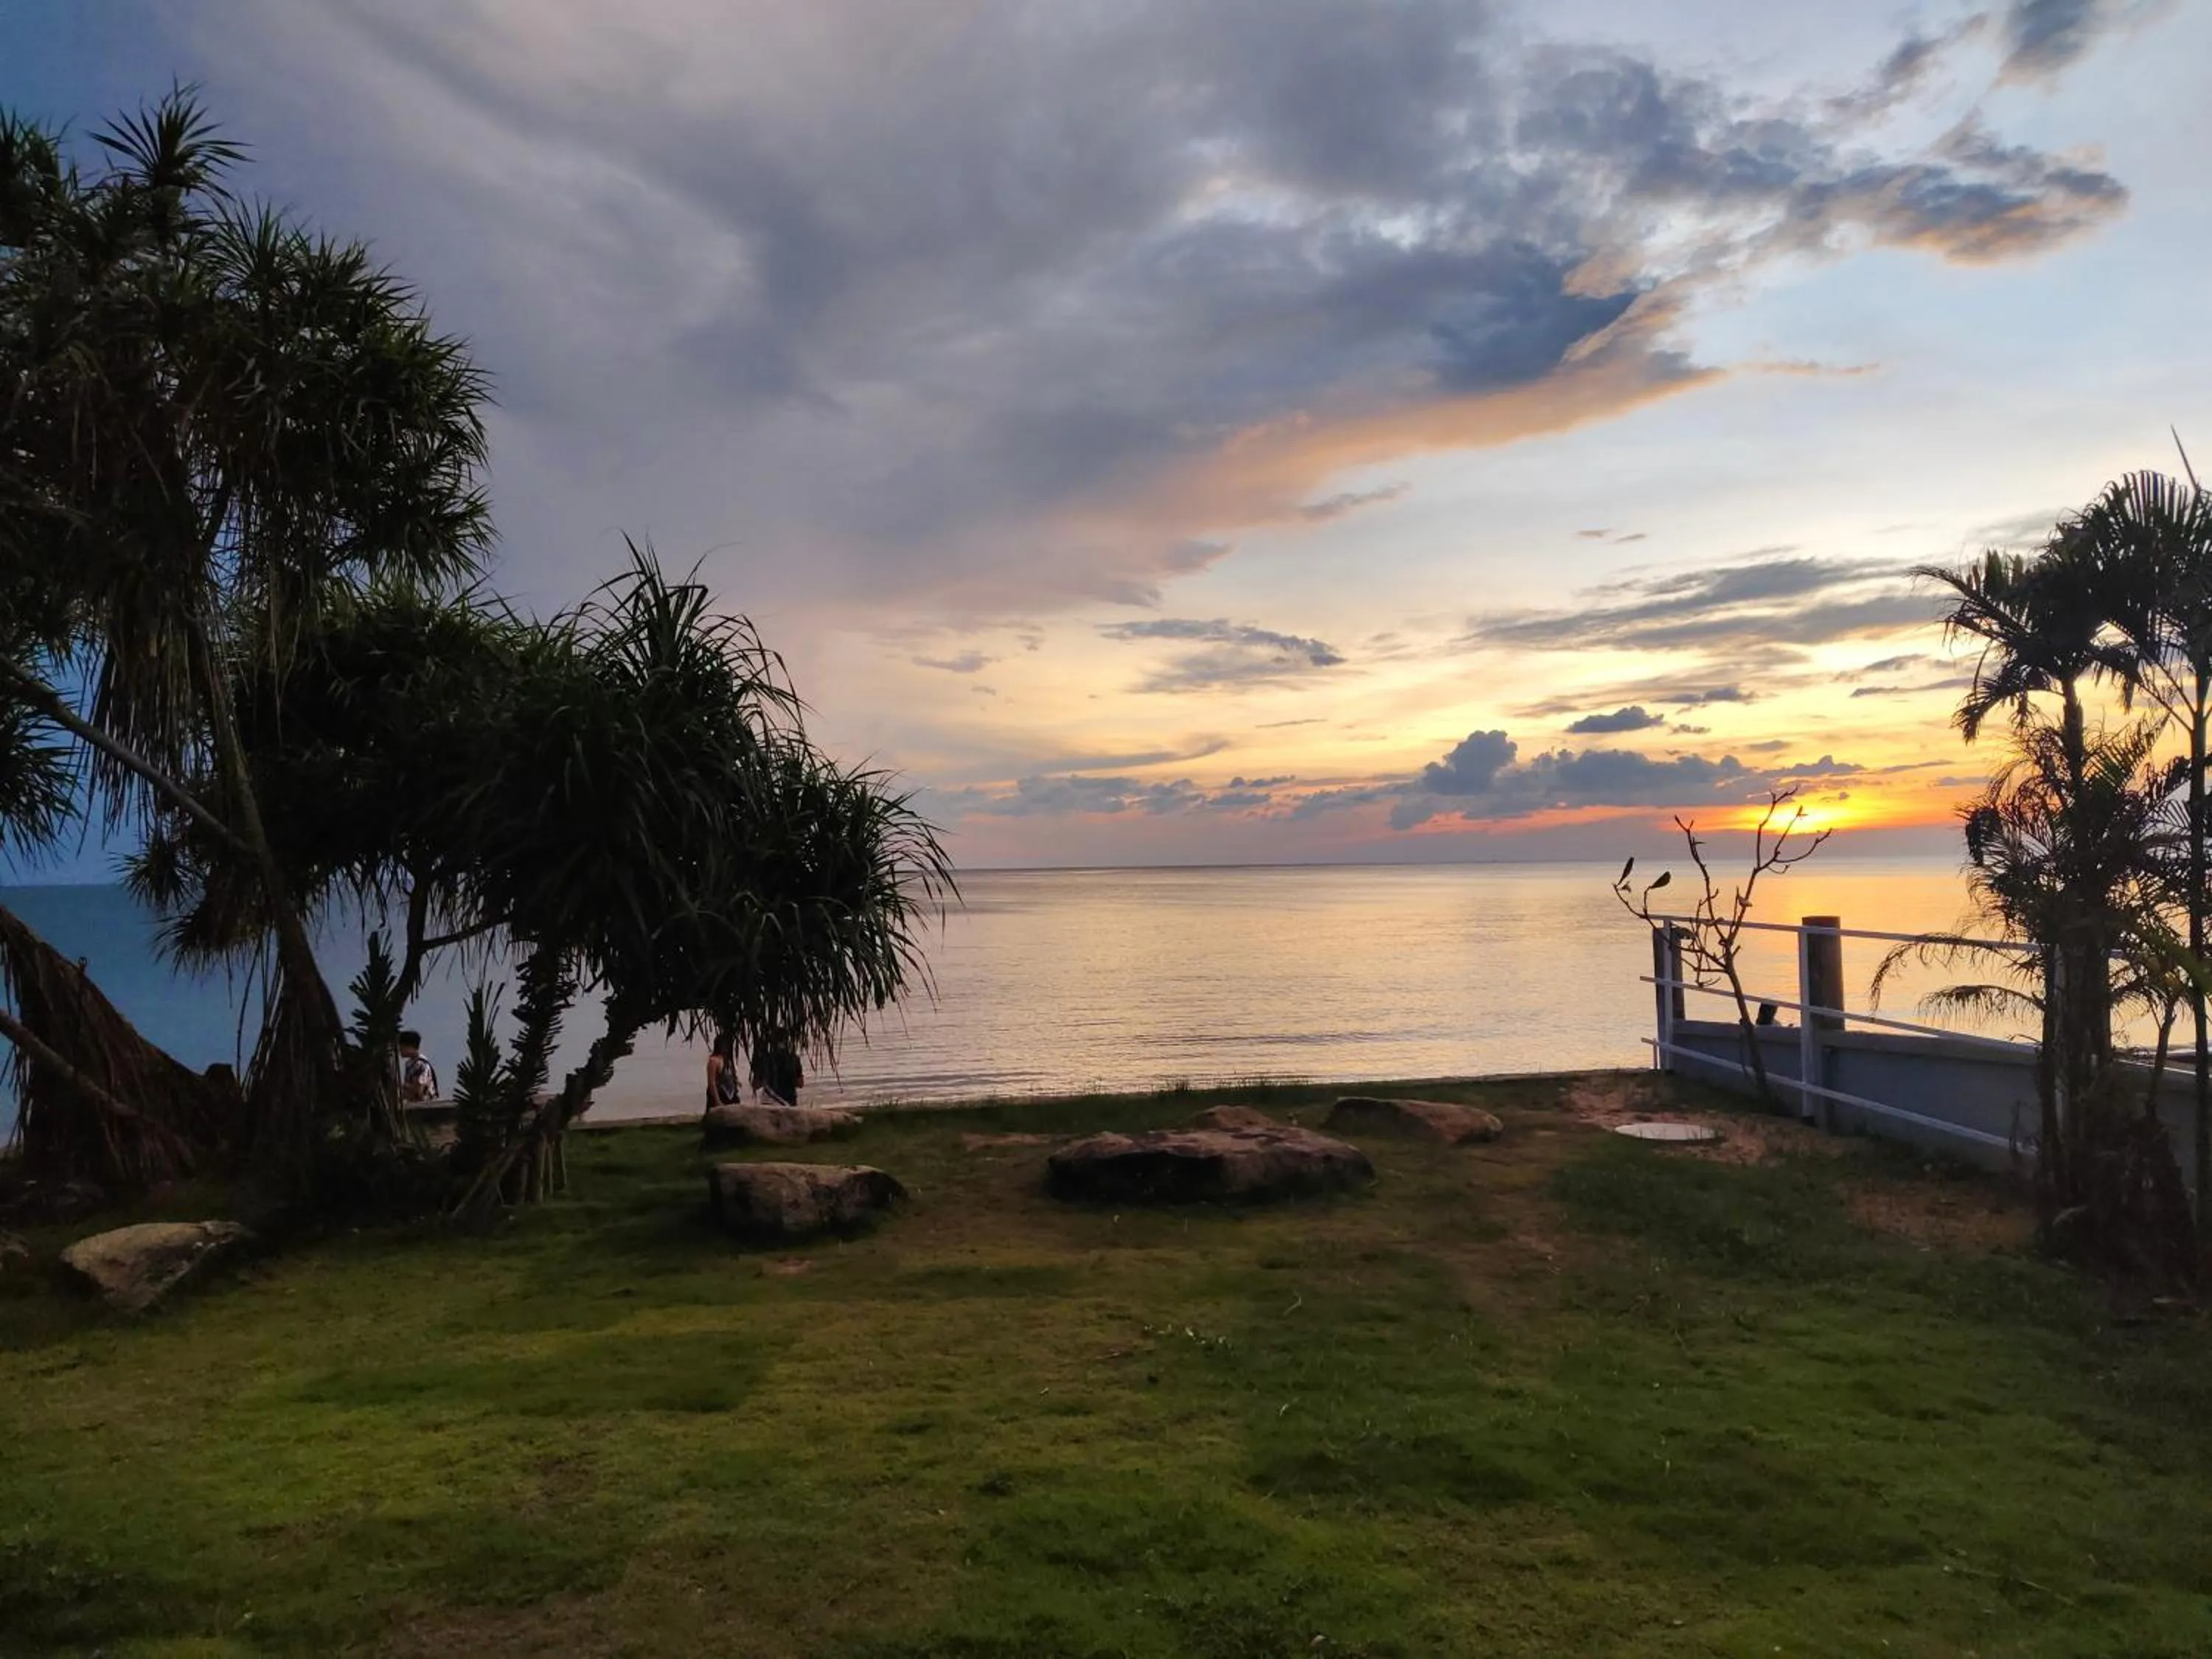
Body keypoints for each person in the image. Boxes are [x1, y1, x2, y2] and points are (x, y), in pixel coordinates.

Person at [750, 1037, 804, 1107]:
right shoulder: (794, 1059)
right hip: (789, 1102)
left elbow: (756, 1085)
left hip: (770, 1102)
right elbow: (800, 1084)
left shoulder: (766, 1060)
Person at [705, 1027, 745, 1112]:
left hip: (730, 1093)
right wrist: (717, 1101)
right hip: (720, 1093)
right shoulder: (713, 1061)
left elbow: (730, 1074)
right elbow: (712, 1083)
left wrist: (736, 1081)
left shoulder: (726, 1059)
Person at [397, 1031, 439, 1102]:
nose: (400, 1049)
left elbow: (418, 1092)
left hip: (425, 1106)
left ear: (409, 1046)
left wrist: (401, 1087)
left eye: (402, 1046)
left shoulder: (420, 1064)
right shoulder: (410, 1064)